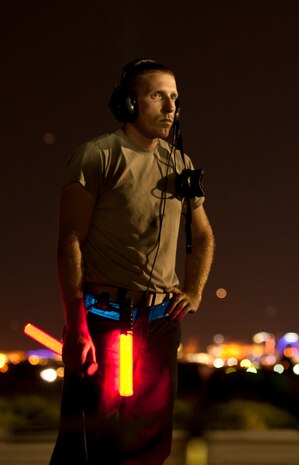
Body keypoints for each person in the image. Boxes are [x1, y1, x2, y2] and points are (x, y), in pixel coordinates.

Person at [51, 59, 215, 465]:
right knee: (94, 445)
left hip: (160, 325)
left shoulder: (180, 164)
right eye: (158, 95)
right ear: (129, 103)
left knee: (150, 446)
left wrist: (193, 291)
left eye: (175, 98)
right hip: (105, 319)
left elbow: (204, 234)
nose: (170, 107)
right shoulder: (97, 156)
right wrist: (76, 325)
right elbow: (71, 237)